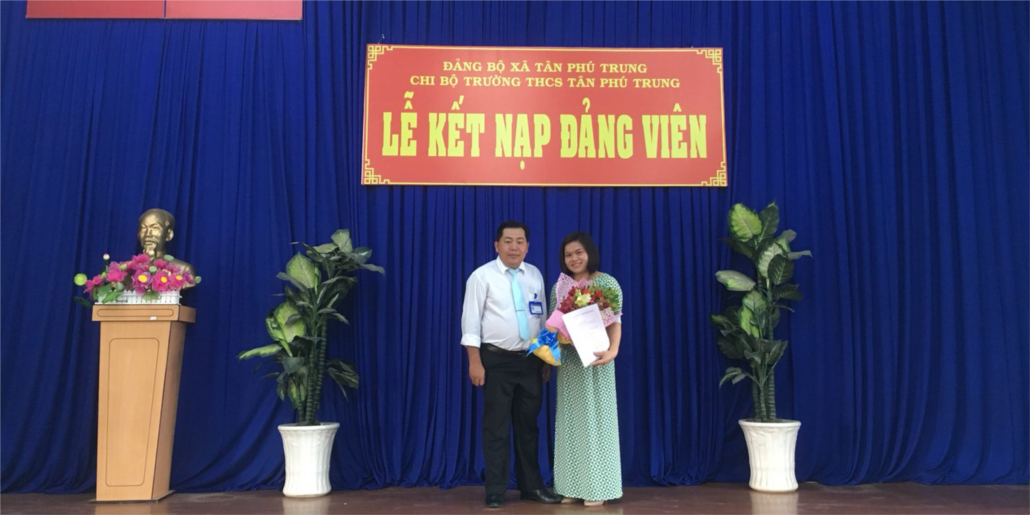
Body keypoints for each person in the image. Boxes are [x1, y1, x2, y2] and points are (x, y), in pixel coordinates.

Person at [460, 221, 562, 509]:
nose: (514, 247)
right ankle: (495, 489)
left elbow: (543, 319)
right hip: (496, 361)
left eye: (520, 241)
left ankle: (532, 487)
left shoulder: (535, 275)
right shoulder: (481, 276)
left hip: (530, 361)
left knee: (528, 426)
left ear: (527, 246)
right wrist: (474, 362)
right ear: (497, 245)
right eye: (508, 241)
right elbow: (470, 322)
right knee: (496, 427)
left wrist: (546, 359)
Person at [551, 231, 623, 507]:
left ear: (589, 253)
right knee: (570, 423)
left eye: (579, 252)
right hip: (570, 363)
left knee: (597, 422)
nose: (574, 258)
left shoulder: (607, 282)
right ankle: (571, 486)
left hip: (597, 360)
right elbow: (553, 325)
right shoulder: (560, 287)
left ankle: (597, 487)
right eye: (568, 254)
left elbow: (615, 321)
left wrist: (613, 351)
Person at [137, 208, 195, 280]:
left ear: (169, 235)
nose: (148, 234)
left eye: (155, 228)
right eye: (144, 228)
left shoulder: (184, 270)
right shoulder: (126, 269)